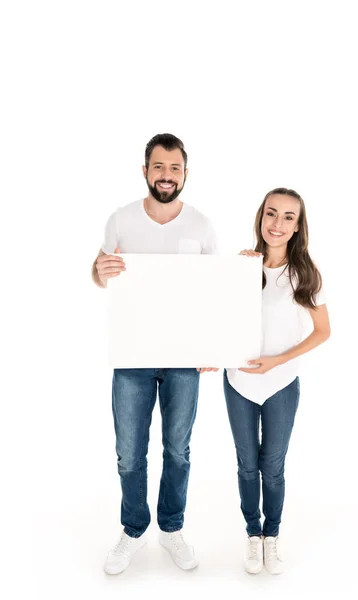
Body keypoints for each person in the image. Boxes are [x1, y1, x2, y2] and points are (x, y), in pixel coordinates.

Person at [92, 133, 218, 574]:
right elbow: (100, 270)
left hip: (184, 355)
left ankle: (171, 527)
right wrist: (97, 268)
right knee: (129, 452)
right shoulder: (121, 220)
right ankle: (133, 528)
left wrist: (213, 343)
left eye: (175, 168)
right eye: (159, 167)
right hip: (132, 354)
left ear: (185, 173)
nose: (167, 176)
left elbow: (213, 292)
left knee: (178, 450)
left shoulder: (201, 225)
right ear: (145, 170)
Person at [224, 188, 330, 575]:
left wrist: (278, 361)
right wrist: (236, 275)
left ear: (298, 226)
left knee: (273, 466)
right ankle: (253, 535)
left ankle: (273, 537)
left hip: (282, 382)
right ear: (260, 217)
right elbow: (220, 321)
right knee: (247, 465)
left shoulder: (305, 272)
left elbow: (322, 331)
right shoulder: (242, 266)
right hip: (238, 381)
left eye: (288, 217)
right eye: (272, 214)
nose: (278, 224)